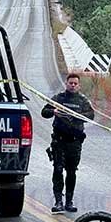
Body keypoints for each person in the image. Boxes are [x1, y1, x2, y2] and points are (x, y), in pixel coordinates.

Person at [42, 73, 95, 214]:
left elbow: (91, 116)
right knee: (58, 170)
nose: (72, 85)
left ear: (79, 85)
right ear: (66, 84)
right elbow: (44, 112)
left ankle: (69, 202)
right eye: (70, 83)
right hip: (59, 141)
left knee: (71, 172)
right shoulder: (59, 98)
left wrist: (78, 115)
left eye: (75, 83)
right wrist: (54, 111)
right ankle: (58, 201)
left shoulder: (83, 100)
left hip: (74, 142)